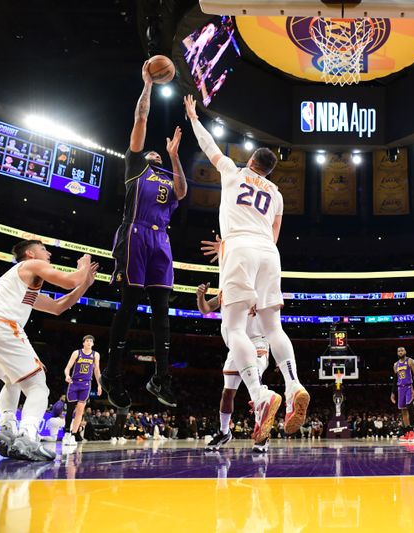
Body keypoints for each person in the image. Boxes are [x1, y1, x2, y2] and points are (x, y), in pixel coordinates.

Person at [184, 94, 309, 448]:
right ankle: (294, 384)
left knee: (233, 326)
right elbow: (274, 235)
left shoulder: (233, 172)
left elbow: (208, 146)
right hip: (269, 253)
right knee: (273, 327)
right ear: (269, 169)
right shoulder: (277, 193)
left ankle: (259, 392)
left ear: (251, 160)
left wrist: (194, 117)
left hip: (239, 246)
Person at [101, 60, 188, 410]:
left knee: (162, 310)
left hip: (161, 241)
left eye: (157, 152)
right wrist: (147, 85)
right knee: (130, 302)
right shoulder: (136, 167)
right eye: (152, 151)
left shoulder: (169, 176)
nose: (154, 152)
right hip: (135, 234)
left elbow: (182, 192)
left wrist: (175, 157)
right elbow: (140, 119)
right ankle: (112, 373)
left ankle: (161, 376)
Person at [0, 239, 98, 461]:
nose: (48, 255)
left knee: (12, 380)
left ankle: (7, 429)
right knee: (38, 386)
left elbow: (57, 307)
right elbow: (68, 281)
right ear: (30, 253)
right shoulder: (31, 265)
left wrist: (84, 285)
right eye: (44, 250)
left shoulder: (18, 283)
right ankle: (28, 435)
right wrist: (83, 265)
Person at [195, 282, 271, 451]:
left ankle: (263, 434)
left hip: (257, 342)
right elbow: (205, 309)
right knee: (227, 392)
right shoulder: (226, 292)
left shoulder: (261, 290)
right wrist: (201, 297)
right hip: (237, 344)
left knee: (255, 386)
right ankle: (224, 432)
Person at [61, 335, 102, 447]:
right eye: (87, 341)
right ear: (83, 343)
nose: (89, 343)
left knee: (80, 411)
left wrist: (99, 385)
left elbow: (97, 370)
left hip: (86, 384)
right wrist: (67, 375)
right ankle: (67, 434)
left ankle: (73, 435)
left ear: (93, 344)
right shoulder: (77, 353)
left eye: (91, 341)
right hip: (74, 383)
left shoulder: (95, 355)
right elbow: (67, 367)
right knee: (70, 410)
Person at [390, 347, 414, 442]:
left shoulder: (410, 361)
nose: (400, 352)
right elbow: (395, 380)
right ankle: (407, 433)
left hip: (409, 387)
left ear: (405, 352)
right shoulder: (395, 365)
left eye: (402, 350)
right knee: (403, 411)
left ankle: (412, 433)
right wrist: (393, 393)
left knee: (410, 409)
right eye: (398, 351)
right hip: (400, 388)